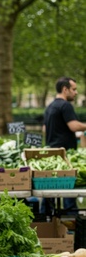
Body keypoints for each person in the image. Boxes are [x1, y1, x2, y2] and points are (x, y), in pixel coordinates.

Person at [42, 76, 86, 216]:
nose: (76, 92)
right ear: (65, 89)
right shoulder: (65, 105)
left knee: (49, 191)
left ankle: (45, 218)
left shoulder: (50, 106)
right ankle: (71, 221)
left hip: (51, 151)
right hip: (65, 153)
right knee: (68, 189)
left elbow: (44, 129)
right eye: (74, 89)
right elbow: (73, 126)